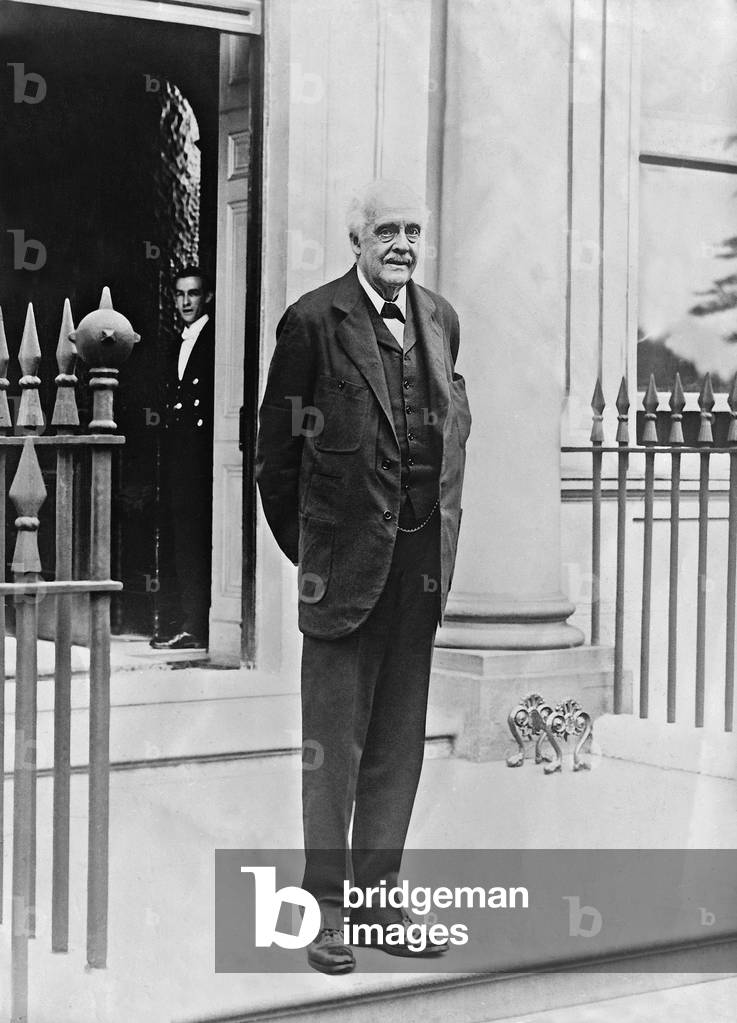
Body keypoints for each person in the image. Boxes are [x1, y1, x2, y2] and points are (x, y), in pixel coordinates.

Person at [256, 179, 471, 974]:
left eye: (413, 229)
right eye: (387, 230)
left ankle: (381, 902)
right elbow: (273, 460)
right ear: (356, 240)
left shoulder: (442, 319)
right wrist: (315, 558)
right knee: (331, 750)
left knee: (395, 746)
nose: (402, 244)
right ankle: (327, 912)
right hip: (342, 574)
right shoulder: (314, 320)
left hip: (417, 571)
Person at [152, 267, 215, 650]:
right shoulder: (175, 342)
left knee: (194, 539)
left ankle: (197, 625)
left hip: (203, 458)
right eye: (180, 295)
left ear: (206, 296)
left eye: (193, 294)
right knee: (178, 538)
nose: (186, 302)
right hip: (179, 456)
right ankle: (181, 622)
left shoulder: (213, 338)